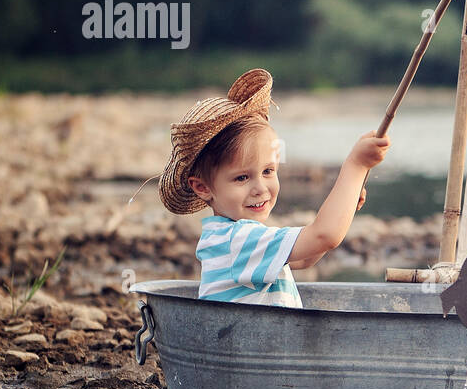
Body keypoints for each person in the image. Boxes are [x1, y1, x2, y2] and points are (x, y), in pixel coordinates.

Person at [157, 68, 389, 306]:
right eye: (241, 178)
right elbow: (323, 235)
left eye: (268, 171)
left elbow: (305, 259)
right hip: (249, 343)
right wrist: (356, 166)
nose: (260, 188)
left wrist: (346, 203)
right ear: (203, 188)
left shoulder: (235, 236)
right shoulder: (238, 239)